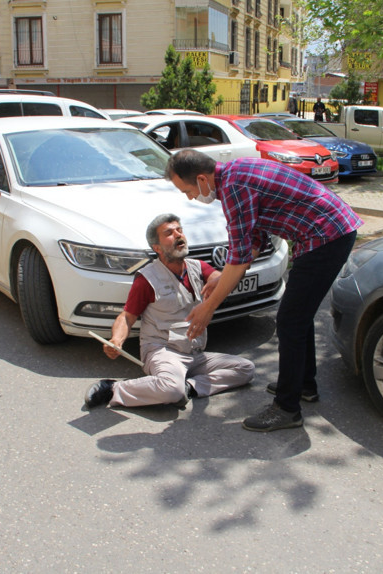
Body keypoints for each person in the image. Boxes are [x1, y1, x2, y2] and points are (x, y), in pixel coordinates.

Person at [165, 150, 362, 433]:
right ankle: (303, 383)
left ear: (201, 178)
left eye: (188, 190)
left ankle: (287, 409)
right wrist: (221, 276)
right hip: (326, 231)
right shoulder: (234, 175)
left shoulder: (234, 186)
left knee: (291, 321)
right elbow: (253, 237)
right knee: (298, 316)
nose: (191, 197)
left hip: (326, 235)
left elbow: (241, 259)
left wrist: (208, 309)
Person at [84, 213, 254, 409]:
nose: (178, 235)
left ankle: (189, 387)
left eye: (179, 230)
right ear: (157, 247)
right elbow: (127, 316)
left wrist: (226, 275)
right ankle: (113, 388)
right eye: (169, 233)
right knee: (171, 390)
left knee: (245, 368)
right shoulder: (147, 278)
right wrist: (117, 340)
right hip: (162, 351)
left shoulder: (197, 267)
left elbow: (221, 280)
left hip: (194, 353)